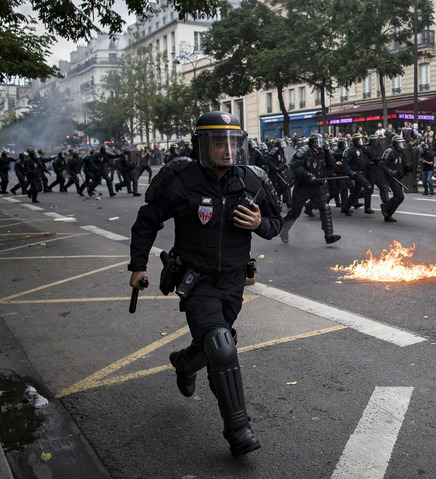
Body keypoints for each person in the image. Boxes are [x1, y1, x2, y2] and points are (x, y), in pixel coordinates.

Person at [128, 111, 282, 458]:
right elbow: (146, 221)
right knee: (221, 345)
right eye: (218, 143)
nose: (227, 151)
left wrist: (260, 223)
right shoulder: (182, 181)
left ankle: (184, 363)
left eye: (232, 143)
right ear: (200, 145)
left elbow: (276, 223)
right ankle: (238, 430)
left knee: (216, 343)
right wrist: (137, 266)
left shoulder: (252, 181)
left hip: (233, 282)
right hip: (196, 282)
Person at [280, 133, 341, 244]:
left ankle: (329, 235)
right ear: (312, 142)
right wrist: (308, 175)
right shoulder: (303, 151)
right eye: (317, 142)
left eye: (320, 141)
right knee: (295, 212)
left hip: (317, 186)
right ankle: (284, 229)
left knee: (325, 207)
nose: (319, 144)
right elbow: (296, 167)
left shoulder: (323, 152)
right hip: (304, 187)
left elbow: (332, 166)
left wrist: (327, 153)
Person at [378, 135, 409, 222]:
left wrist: (407, 168)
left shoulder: (401, 153)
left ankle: (388, 214)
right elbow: (381, 164)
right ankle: (385, 206)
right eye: (400, 143)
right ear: (395, 143)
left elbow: (402, 165)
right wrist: (390, 171)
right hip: (390, 177)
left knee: (398, 197)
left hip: (398, 177)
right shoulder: (389, 151)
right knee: (399, 196)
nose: (401, 144)